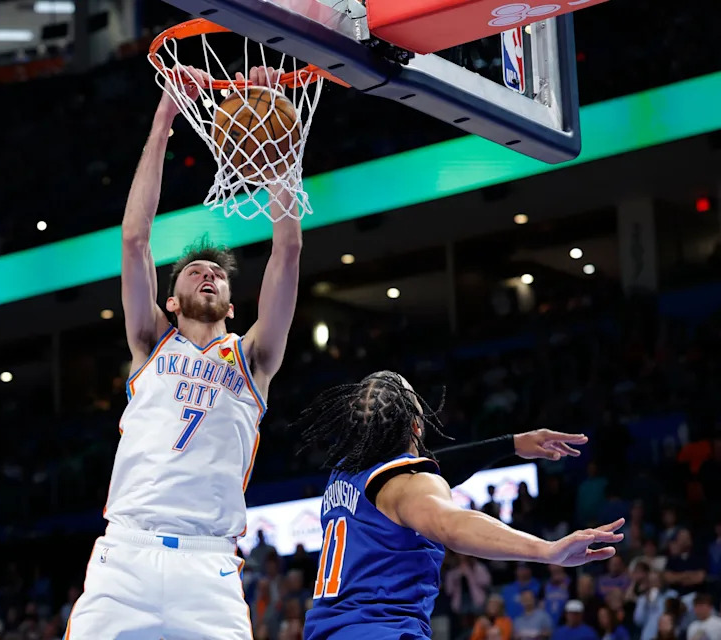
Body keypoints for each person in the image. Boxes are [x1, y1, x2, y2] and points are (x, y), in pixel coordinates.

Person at [66, 65, 302, 639]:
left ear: (229, 303)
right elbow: (134, 237)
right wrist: (166, 113)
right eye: (194, 272)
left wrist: (277, 140)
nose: (207, 276)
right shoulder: (149, 342)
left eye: (217, 275)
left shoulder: (254, 358)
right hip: (126, 554)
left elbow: (288, 248)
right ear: (169, 303)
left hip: (208, 565)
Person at [296, 371, 623, 640]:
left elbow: (434, 468)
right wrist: (545, 550)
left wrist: (509, 444)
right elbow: (451, 524)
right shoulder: (408, 486)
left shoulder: (343, 475)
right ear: (416, 427)